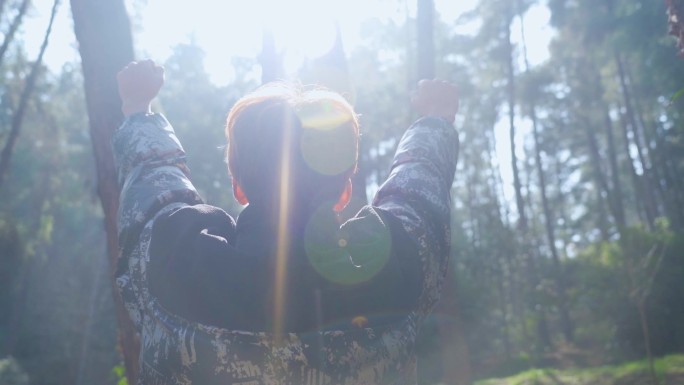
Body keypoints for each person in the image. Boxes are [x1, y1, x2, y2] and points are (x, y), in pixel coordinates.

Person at [114, 59, 459, 384]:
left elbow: (154, 183)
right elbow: (416, 194)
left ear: (238, 187)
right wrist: (435, 120)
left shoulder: (171, 263)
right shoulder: (398, 267)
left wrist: (138, 109)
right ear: (344, 191)